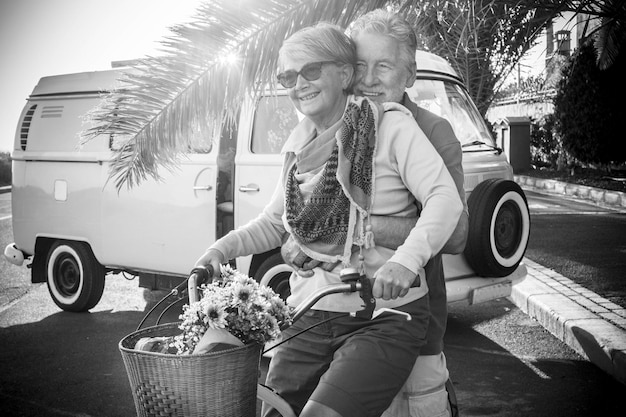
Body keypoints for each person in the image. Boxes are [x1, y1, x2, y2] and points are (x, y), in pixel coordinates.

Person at [195, 22, 463, 417]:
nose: (298, 83)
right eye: (288, 75)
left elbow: (446, 204)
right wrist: (220, 249)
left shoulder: (392, 124)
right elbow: (275, 222)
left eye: (311, 70)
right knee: (270, 410)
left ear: (342, 73)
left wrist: (401, 259)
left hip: (382, 312)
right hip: (311, 310)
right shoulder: (298, 141)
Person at [280, 9, 469, 417]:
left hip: (407, 321)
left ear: (410, 73)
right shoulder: (343, 125)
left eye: (382, 66)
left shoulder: (430, 131)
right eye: (360, 66)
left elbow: (455, 236)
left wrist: (349, 230)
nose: (368, 79)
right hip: (336, 318)